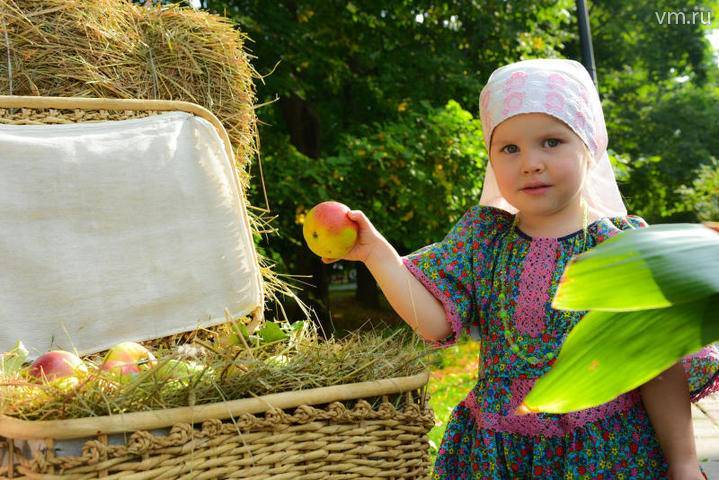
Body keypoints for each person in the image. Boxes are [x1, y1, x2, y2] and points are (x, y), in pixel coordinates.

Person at [322, 58, 719, 479]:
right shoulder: (483, 239)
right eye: (509, 148)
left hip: (603, 453)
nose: (530, 162)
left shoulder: (623, 248)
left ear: (590, 146)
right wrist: (376, 255)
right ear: (491, 158)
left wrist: (683, 462)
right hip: (500, 453)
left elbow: (657, 365)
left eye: (551, 142)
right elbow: (435, 324)